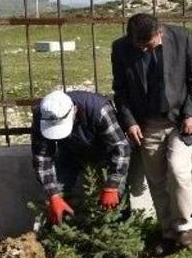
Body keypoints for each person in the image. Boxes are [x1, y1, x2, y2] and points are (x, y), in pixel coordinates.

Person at [111, 13, 192, 250]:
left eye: (148, 44)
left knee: (179, 170)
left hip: (179, 121)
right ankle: (168, 232)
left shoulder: (182, 38)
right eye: (138, 46)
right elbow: (120, 90)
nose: (143, 50)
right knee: (156, 179)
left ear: (159, 31)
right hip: (147, 124)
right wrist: (130, 121)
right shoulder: (121, 49)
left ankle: (185, 227)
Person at [32, 90, 131, 225]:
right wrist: (53, 194)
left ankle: (120, 230)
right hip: (69, 152)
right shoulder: (42, 114)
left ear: (75, 110)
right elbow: (42, 157)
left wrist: (112, 185)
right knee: (58, 193)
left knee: (116, 198)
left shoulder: (99, 110)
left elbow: (120, 147)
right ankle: (60, 233)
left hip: (105, 154)